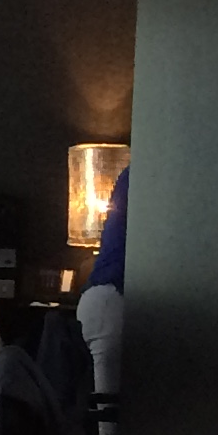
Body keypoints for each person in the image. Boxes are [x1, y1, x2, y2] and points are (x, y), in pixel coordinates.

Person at [76, 164, 127, 405]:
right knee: (109, 412)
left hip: (103, 298)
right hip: (112, 298)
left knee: (107, 411)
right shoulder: (146, 176)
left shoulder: (136, 175)